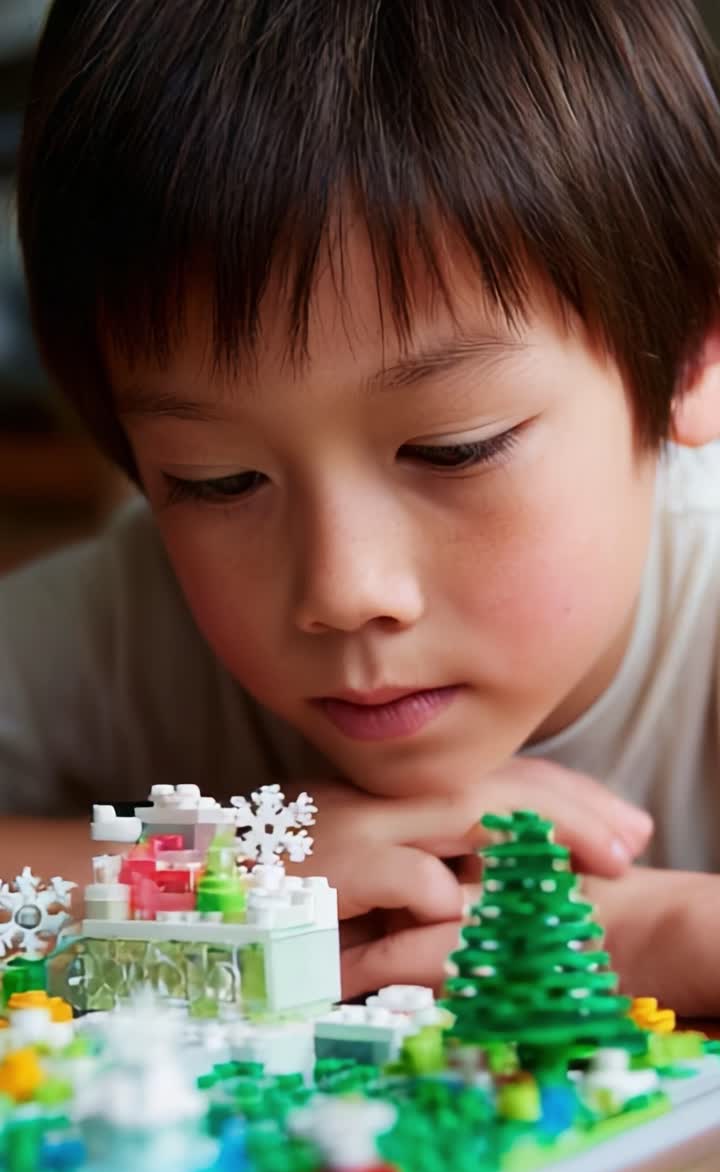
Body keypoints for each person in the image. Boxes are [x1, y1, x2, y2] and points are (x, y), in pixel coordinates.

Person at [2, 0, 720, 1011]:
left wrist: (672, 933)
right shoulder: (129, 623)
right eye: (216, 478)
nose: (344, 589)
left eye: (451, 448)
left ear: (691, 349)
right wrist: (214, 870)